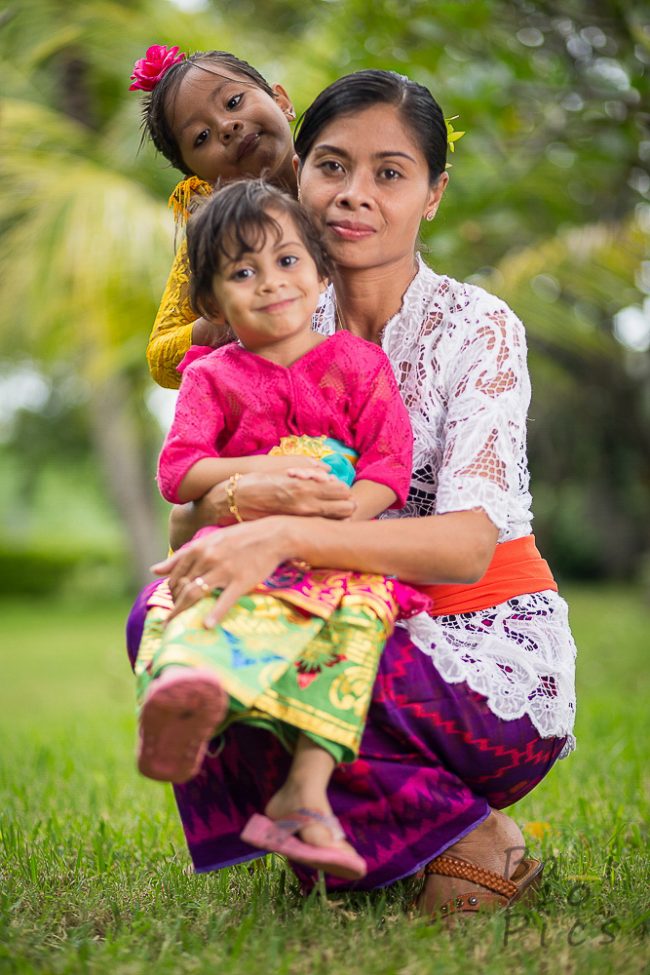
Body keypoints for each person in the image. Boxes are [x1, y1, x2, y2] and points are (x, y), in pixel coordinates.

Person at [127, 69, 577, 920]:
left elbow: (466, 545)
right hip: (334, 610)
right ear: (297, 175)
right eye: (332, 166)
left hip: (478, 649)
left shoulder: (477, 326)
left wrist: (280, 540)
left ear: (433, 195)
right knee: (161, 620)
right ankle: (388, 829)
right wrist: (237, 507)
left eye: (390, 173)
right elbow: (194, 509)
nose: (354, 195)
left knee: (277, 650)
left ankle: (465, 836)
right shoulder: (276, 314)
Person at [136, 178, 428, 880]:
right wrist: (257, 473)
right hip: (237, 538)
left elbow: (389, 465)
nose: (271, 284)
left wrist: (341, 513)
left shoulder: (359, 364)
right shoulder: (212, 376)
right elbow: (180, 472)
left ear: (322, 270)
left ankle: (305, 792)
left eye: (287, 261)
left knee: (364, 613)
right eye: (243, 272)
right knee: (192, 597)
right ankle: (182, 692)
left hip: (332, 550)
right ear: (210, 302)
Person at [130, 45, 298, 387]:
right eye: (201, 137)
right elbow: (160, 357)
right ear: (200, 179)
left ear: (281, 101)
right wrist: (223, 323)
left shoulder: (343, 171)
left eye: (234, 102)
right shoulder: (219, 239)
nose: (227, 126)